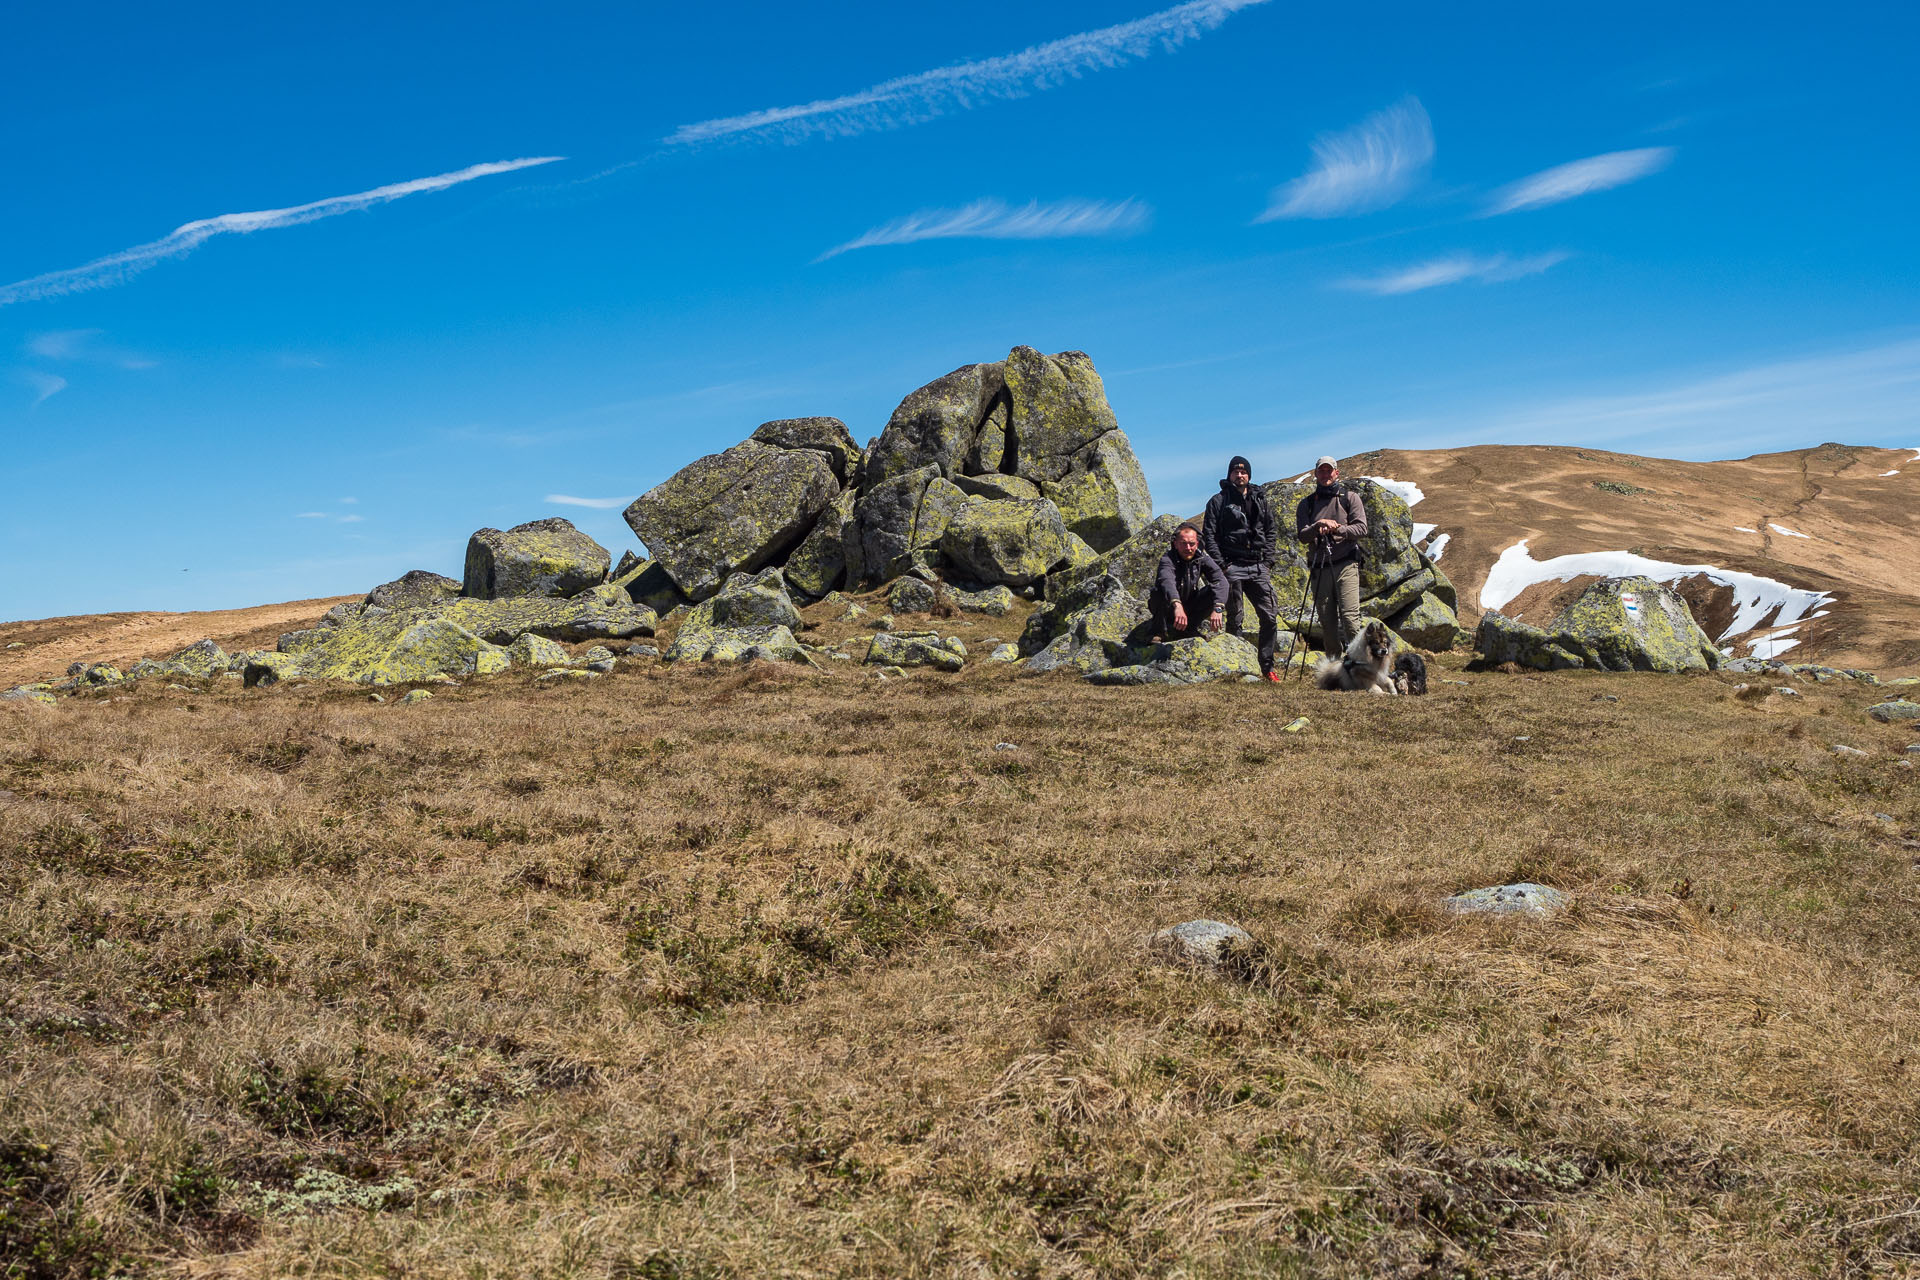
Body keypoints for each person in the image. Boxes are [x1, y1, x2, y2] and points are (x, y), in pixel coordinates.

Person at [1202, 455, 1281, 681]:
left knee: (1269, 616)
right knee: (1235, 618)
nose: (1240, 475)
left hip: (1257, 566)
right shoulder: (1218, 501)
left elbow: (1271, 530)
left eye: (1244, 471)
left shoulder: (1260, 499)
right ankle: (1238, 667)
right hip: (1232, 566)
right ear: (1229, 475)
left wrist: (1267, 562)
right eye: (1236, 472)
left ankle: (1267, 668)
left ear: (1249, 475)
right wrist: (1222, 566)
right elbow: (1209, 535)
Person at [1295, 455, 1368, 658]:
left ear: (1337, 473)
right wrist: (1318, 527)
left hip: (1346, 564)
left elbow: (1362, 528)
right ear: (1316, 474)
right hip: (1320, 567)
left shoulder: (1349, 497)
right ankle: (1335, 668)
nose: (1325, 474)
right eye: (1322, 471)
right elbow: (1302, 535)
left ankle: (1359, 664)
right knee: (1327, 622)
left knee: (1350, 617)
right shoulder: (1307, 504)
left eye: (1329, 470)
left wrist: (1338, 529)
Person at [1149, 522, 1227, 642]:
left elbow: (1220, 580)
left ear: (1197, 544)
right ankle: (1160, 631)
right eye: (1183, 544)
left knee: (1214, 590)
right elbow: (1167, 581)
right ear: (1176, 544)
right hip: (1170, 608)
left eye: (1191, 544)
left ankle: (1189, 629)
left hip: (1190, 605)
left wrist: (1218, 607)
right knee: (1158, 591)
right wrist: (1177, 604)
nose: (1188, 548)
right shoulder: (1167, 559)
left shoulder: (1202, 558)